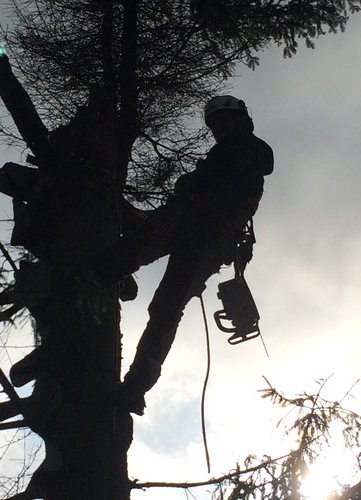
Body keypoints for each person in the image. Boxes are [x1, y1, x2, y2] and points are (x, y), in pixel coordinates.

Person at [102, 95, 274, 414]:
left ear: (239, 121)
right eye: (214, 123)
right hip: (199, 229)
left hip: (203, 230)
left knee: (164, 301)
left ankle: (136, 385)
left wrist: (190, 184)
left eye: (223, 121)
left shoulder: (246, 150)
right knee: (150, 280)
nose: (218, 128)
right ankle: (134, 385)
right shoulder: (235, 153)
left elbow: (216, 186)